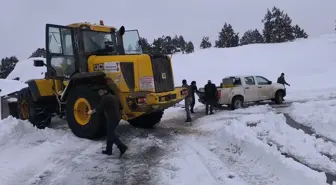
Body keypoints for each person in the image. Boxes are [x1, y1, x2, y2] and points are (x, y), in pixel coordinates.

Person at [87, 89, 128, 157]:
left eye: (100, 91)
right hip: (117, 117)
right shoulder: (114, 96)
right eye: (98, 92)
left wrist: (91, 112)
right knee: (110, 133)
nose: (99, 93)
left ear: (105, 91)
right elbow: (121, 107)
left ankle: (122, 146)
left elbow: (99, 108)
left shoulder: (105, 98)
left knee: (110, 134)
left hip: (112, 118)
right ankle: (108, 150)